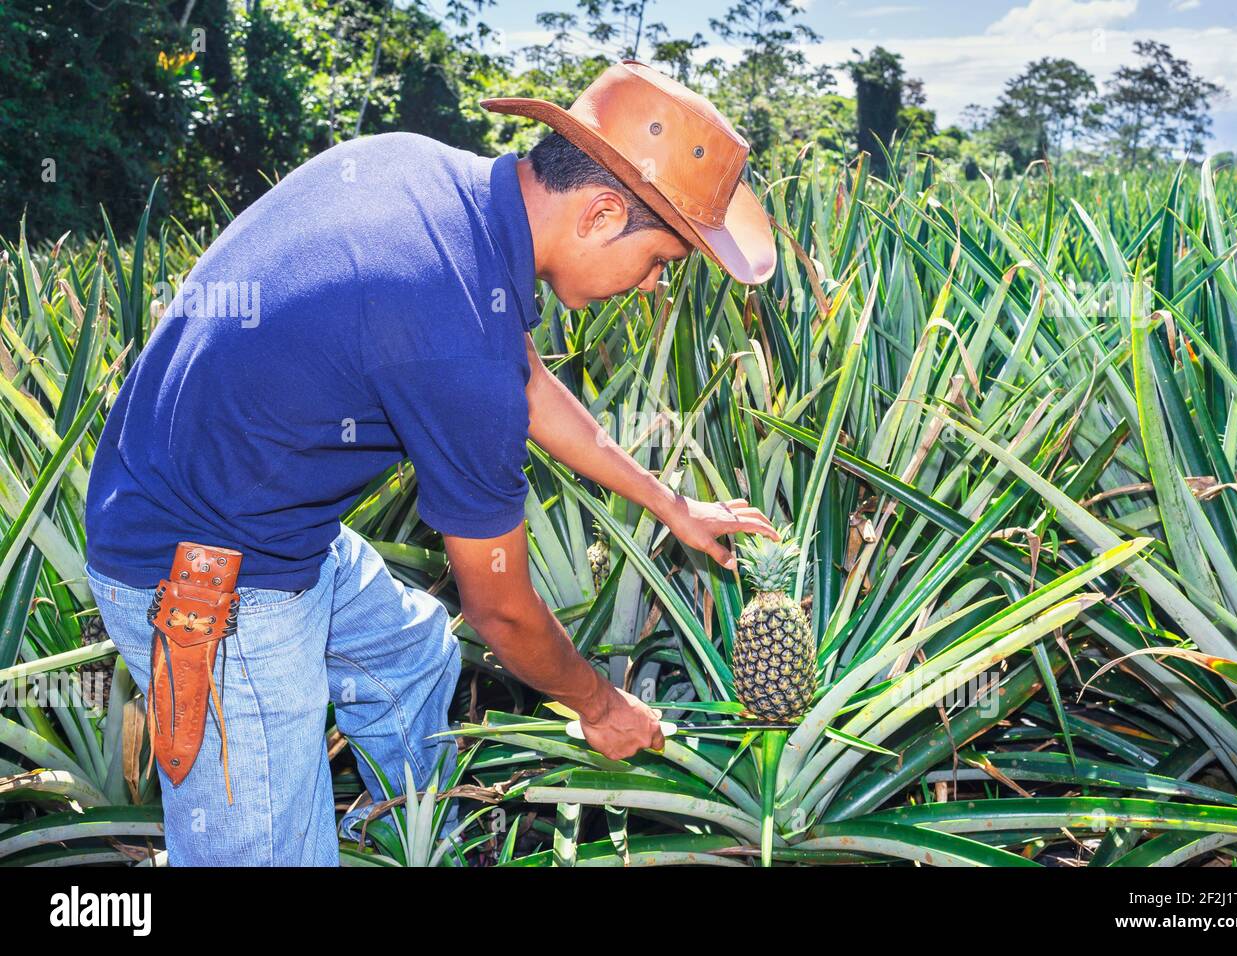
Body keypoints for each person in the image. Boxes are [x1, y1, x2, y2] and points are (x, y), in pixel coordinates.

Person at [83, 60, 778, 865]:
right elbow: (503, 612)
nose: (653, 284)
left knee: (414, 652)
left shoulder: (426, 176)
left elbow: (528, 381)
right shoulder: (456, 345)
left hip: (252, 511)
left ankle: (400, 843)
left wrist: (670, 505)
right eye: (661, 261)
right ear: (599, 213)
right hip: (206, 578)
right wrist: (599, 704)